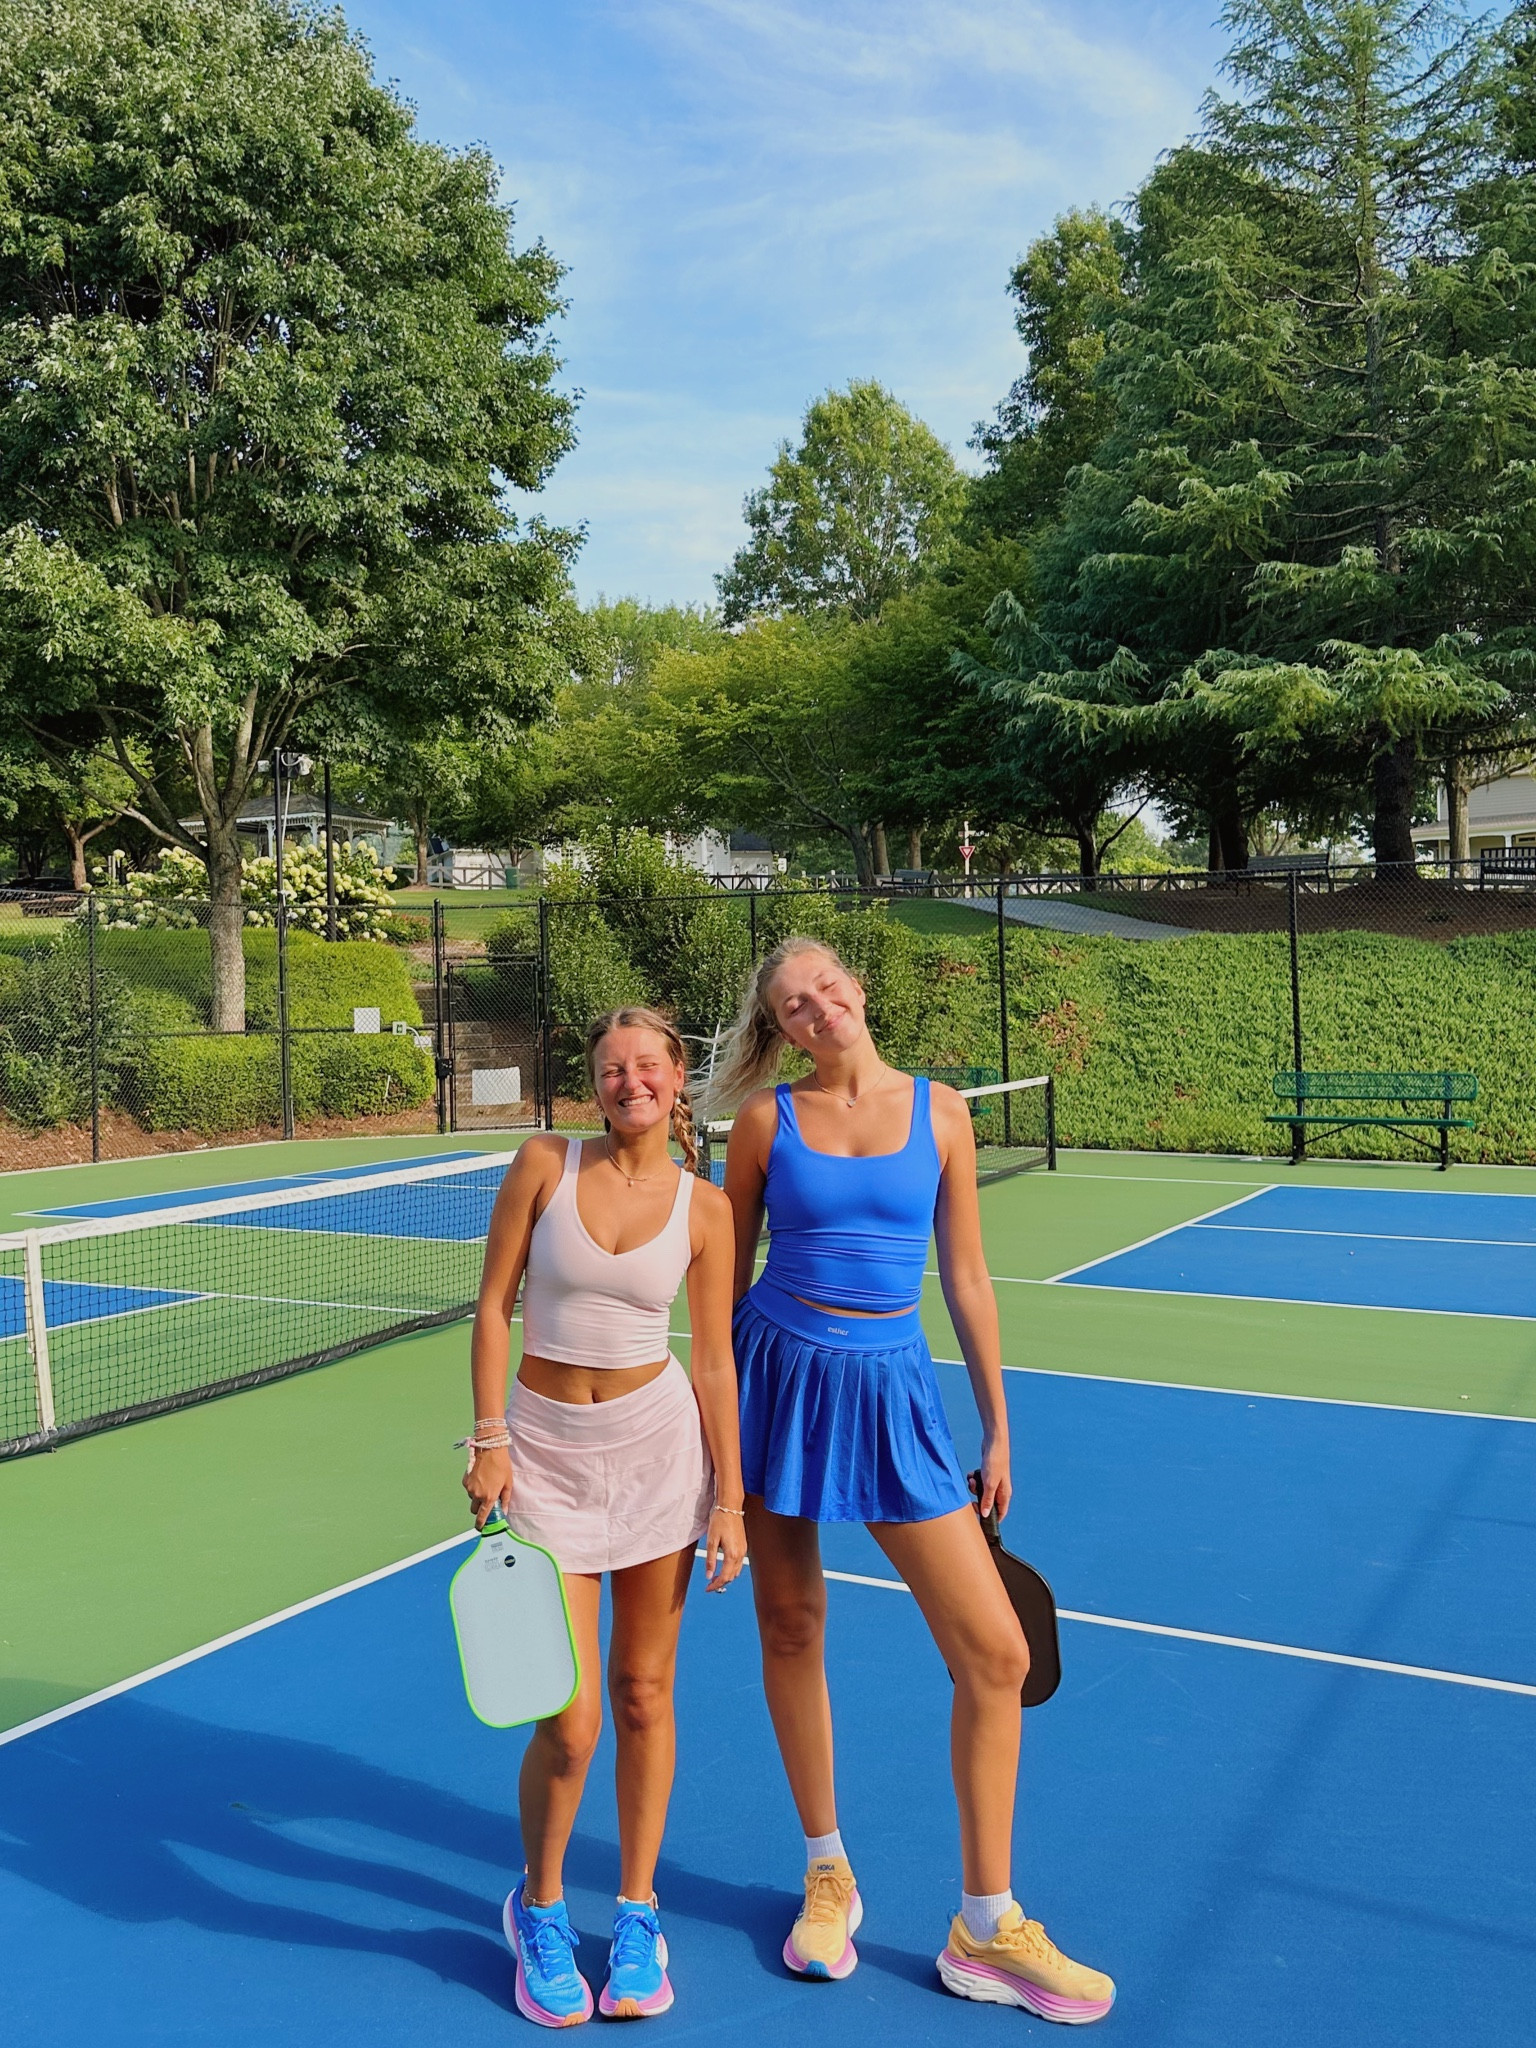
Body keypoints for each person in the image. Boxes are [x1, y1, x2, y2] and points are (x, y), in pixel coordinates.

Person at [713, 936, 1114, 2025]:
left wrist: (997, 1423)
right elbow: (720, 1281)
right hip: (774, 1379)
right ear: (780, 1028)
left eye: (827, 987)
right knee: (791, 1625)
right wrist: (715, 1447)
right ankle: (827, 1870)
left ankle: (987, 1922)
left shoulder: (942, 1112)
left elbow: (968, 1275)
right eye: (793, 1005)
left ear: (858, 988)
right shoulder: (762, 1124)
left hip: (894, 1391)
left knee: (997, 1650)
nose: (818, 1008)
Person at [463, 1007, 747, 2028]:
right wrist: (488, 1436)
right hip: (542, 1451)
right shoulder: (545, 1161)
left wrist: (731, 1496)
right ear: (595, 1084)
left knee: (641, 1691)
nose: (629, 1080)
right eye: (610, 1068)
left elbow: (712, 1356)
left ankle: (636, 1911)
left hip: (660, 1454)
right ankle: (538, 1906)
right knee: (570, 1718)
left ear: (679, 1082)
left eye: (647, 1066)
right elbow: (493, 1304)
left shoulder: (706, 1208)